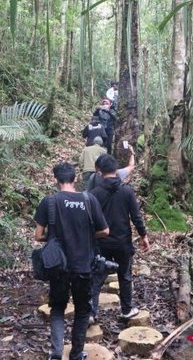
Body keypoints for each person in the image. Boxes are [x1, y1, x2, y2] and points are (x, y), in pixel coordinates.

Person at [34, 163, 109, 360]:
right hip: (83, 265)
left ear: (56, 180)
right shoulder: (88, 199)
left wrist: (53, 237)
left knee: (58, 308)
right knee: (82, 310)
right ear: (75, 179)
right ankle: (76, 353)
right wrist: (85, 234)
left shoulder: (49, 202)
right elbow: (104, 231)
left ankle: (57, 353)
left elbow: (38, 235)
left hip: (57, 266)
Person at [89, 154, 150, 323]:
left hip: (102, 243)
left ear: (99, 172)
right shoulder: (127, 191)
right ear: (116, 170)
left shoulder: (94, 194)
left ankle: (91, 313)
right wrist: (144, 236)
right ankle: (126, 309)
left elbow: (90, 221)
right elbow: (136, 217)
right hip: (123, 242)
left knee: (97, 277)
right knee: (125, 276)